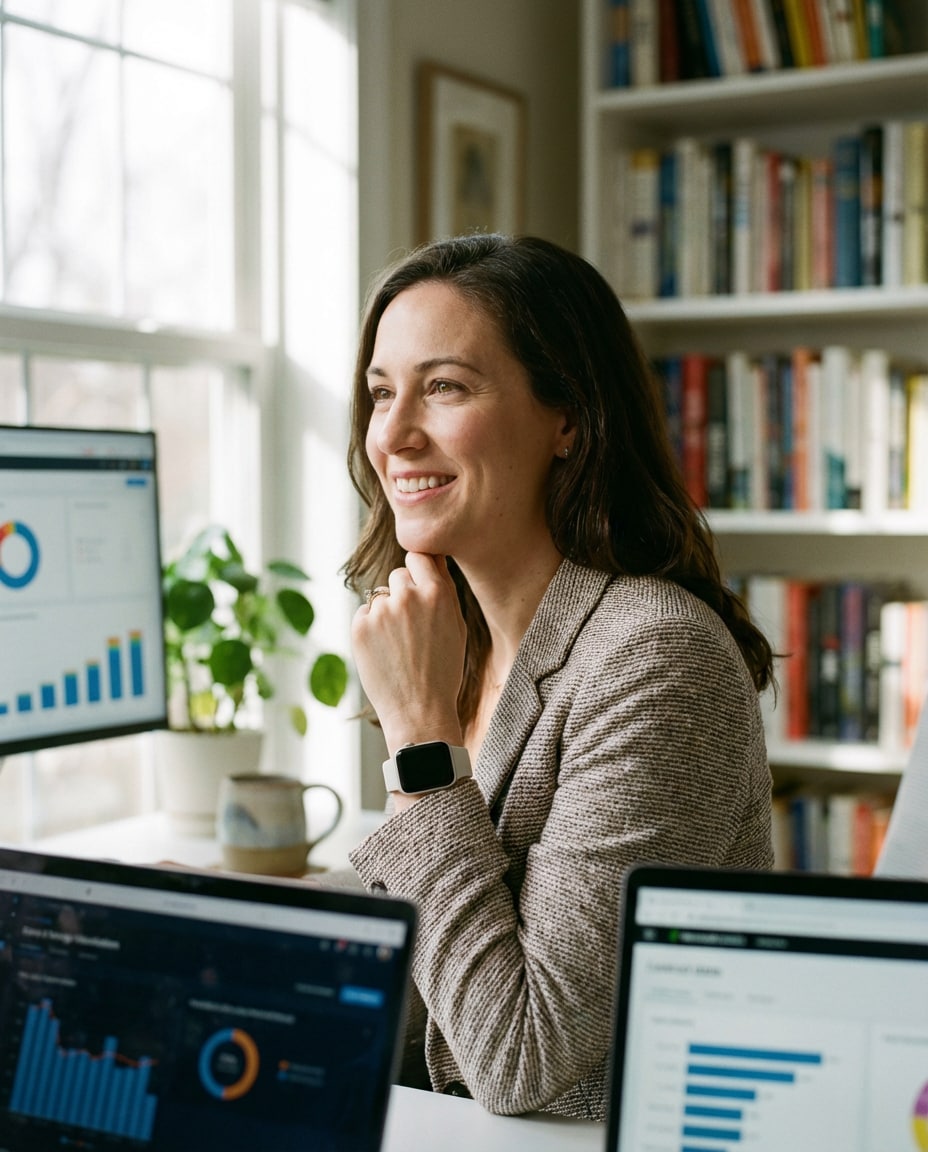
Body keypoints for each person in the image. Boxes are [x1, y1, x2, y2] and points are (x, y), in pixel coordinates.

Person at [343, 233, 774, 1121]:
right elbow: (458, 913)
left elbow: (518, 1054)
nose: (393, 433)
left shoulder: (655, 660)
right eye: (382, 393)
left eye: (445, 387)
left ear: (567, 418)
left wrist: (421, 742)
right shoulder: (456, 635)